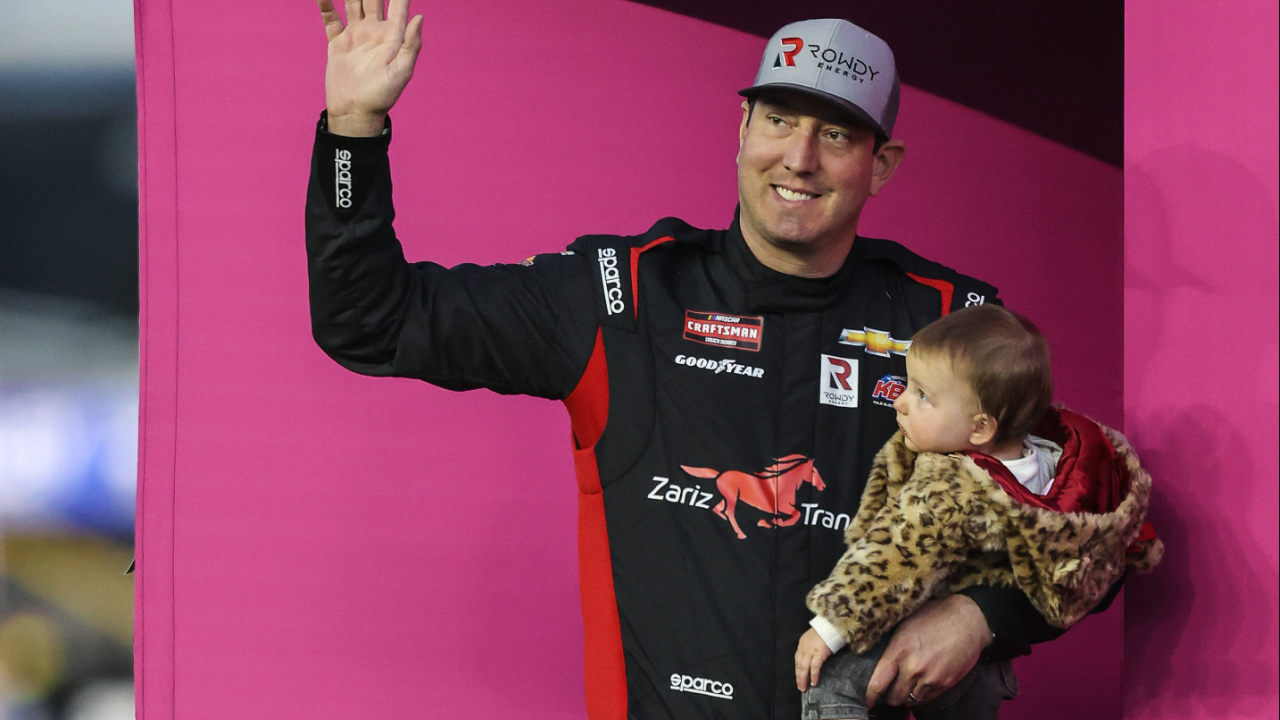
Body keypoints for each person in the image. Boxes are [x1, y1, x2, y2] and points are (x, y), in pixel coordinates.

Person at [307, 3, 1104, 717]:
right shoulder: (620, 294)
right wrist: (352, 132)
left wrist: (980, 619)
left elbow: (1095, 517)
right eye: (779, 120)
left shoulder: (950, 319)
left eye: (835, 134)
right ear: (742, 131)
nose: (799, 159)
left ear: (880, 165)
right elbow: (370, 321)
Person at [794, 305, 1163, 720]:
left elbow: (895, 561)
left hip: (917, 638)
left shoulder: (951, 484)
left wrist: (829, 629)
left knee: (831, 680)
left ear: (981, 428)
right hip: (986, 663)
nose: (899, 402)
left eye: (922, 396)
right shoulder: (1057, 464)